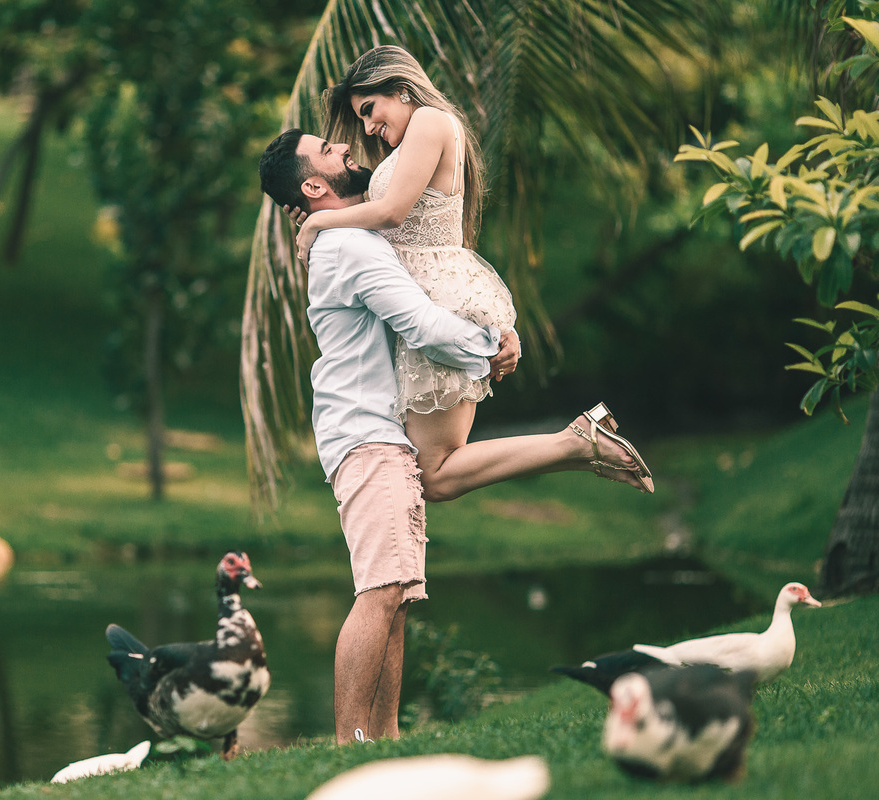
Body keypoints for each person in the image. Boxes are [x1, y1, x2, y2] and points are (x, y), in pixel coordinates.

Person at [257, 128, 654, 745]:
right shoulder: (349, 247)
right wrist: (490, 346)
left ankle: (384, 738)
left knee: (396, 595)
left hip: (374, 432)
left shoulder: (347, 235)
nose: (345, 148)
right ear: (312, 186)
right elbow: (419, 323)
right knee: (380, 592)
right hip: (365, 435)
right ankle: (346, 743)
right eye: (329, 150)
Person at [288, 45, 653, 502]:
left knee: (434, 474)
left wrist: (319, 223)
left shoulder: (429, 121)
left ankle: (577, 443)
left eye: (369, 110)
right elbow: (384, 218)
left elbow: (392, 212)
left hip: (436, 303)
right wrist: (316, 214)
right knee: (433, 474)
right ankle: (578, 445)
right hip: (428, 299)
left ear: (400, 88)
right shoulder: (416, 136)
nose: (367, 128)